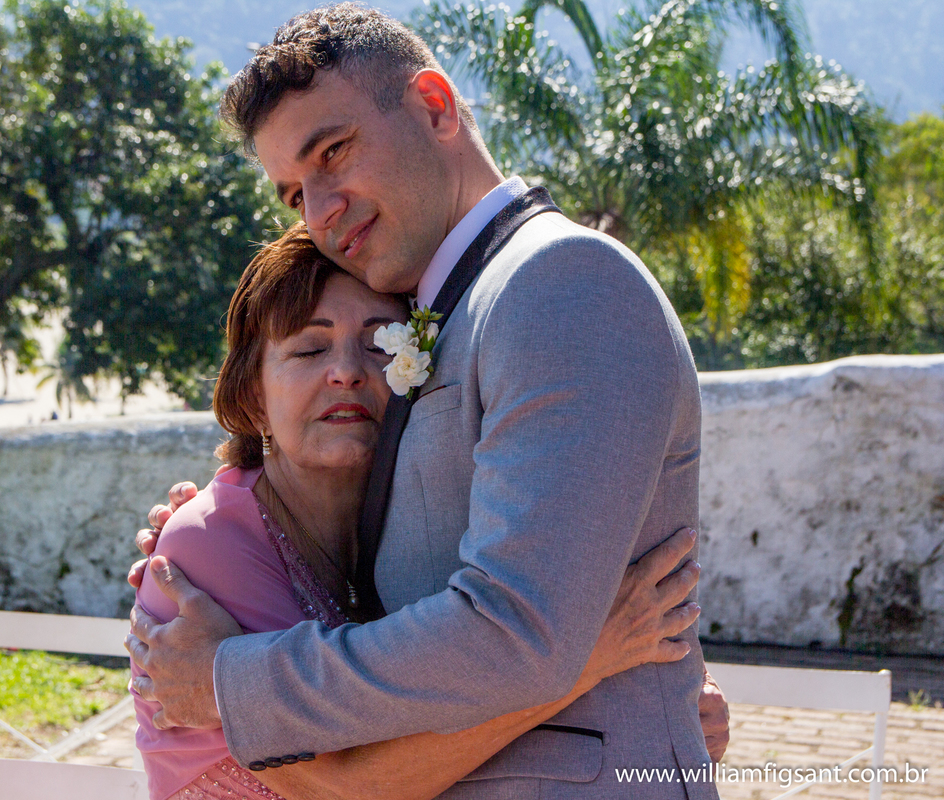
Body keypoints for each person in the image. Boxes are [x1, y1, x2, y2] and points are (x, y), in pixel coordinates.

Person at [127, 5, 729, 797]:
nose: (320, 211)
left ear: (436, 106)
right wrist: (226, 521)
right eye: (295, 194)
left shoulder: (558, 280)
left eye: (333, 152)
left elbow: (519, 632)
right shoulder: (451, 307)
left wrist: (229, 679)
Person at [131, 225, 704, 800]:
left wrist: (673, 712)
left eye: (380, 343)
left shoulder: (418, 516)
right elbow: (348, 785)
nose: (347, 371)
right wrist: (583, 658)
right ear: (253, 397)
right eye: (309, 349)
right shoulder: (205, 549)